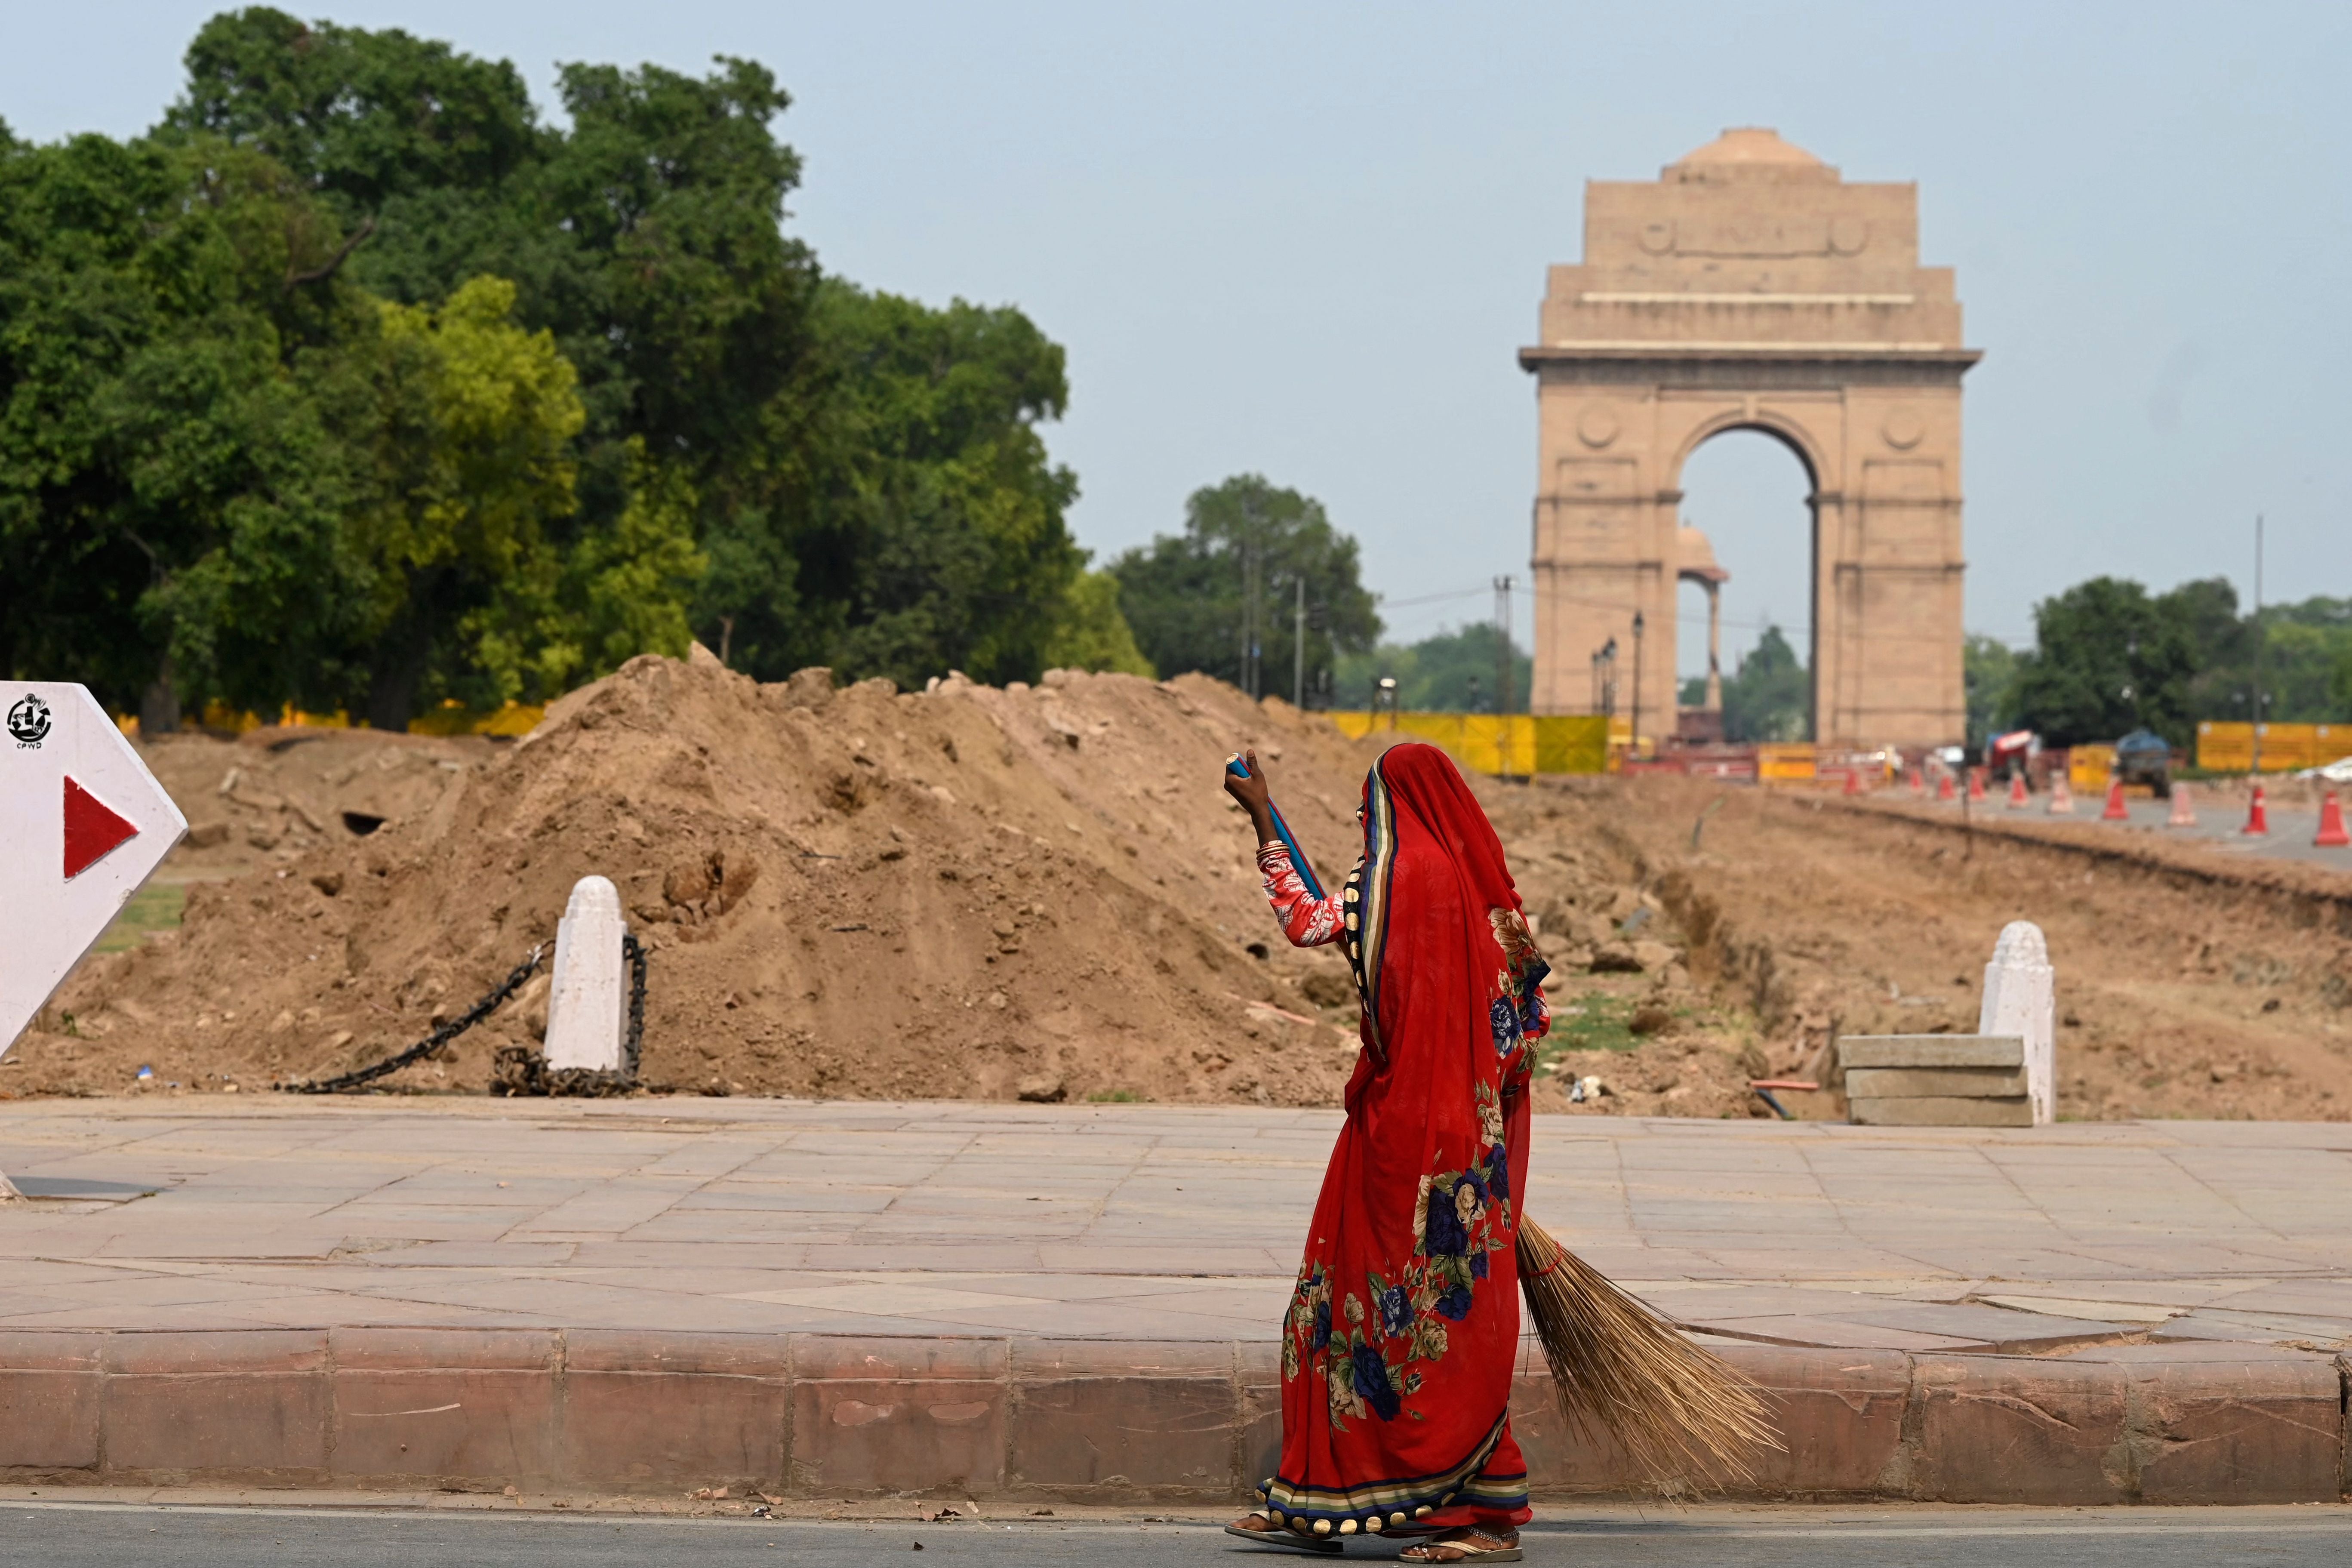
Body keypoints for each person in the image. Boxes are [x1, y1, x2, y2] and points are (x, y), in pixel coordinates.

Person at [1222, 742, 1549, 1563]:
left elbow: (1308, 921)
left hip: (1398, 1141)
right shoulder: (1491, 902)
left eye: (1370, 807)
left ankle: (1467, 1516)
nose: (1366, 822)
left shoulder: (1387, 886)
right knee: (1446, 1312)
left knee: (1346, 1300)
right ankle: (1323, 1497)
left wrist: (1262, 816)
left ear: (1394, 805)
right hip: (1470, 1150)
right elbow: (1526, 1028)